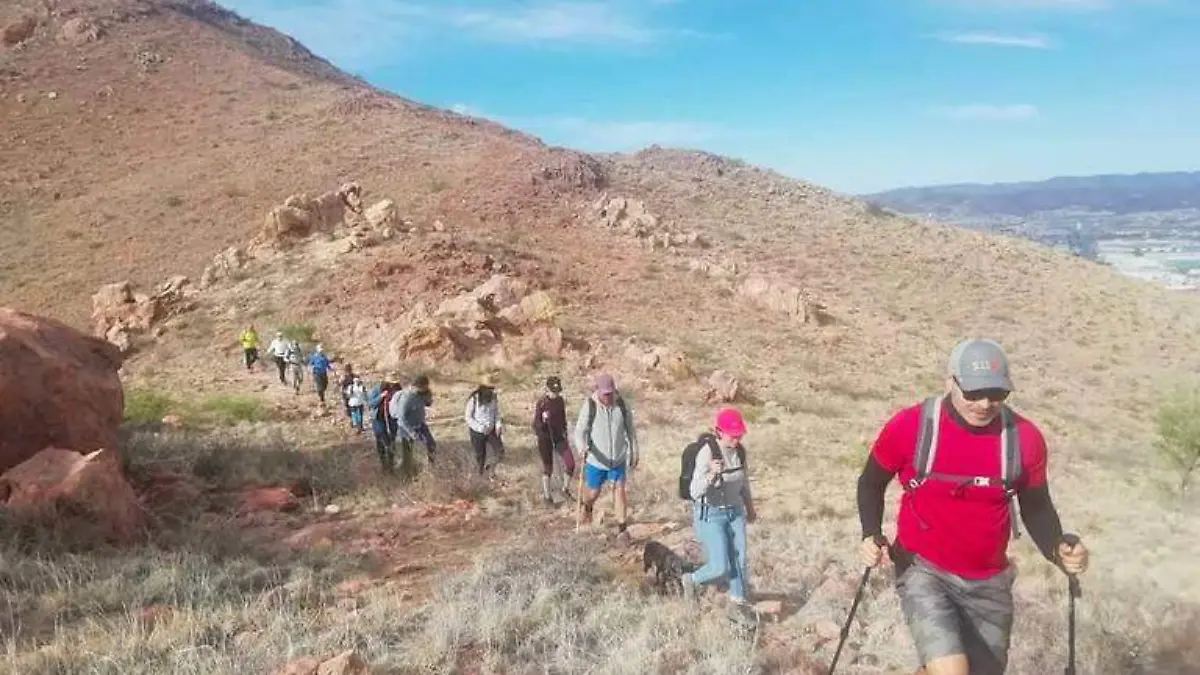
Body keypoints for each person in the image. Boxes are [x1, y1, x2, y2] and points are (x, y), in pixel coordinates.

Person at [856, 338, 1090, 675]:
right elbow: (871, 482)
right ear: (950, 382)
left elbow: (1036, 507)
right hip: (923, 569)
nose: (984, 404)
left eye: (997, 394)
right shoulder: (911, 426)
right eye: (973, 393)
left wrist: (1058, 549)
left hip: (990, 582)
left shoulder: (1024, 438)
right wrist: (871, 534)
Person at [680, 408, 758, 608]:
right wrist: (712, 474)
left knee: (739, 560)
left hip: (735, 511)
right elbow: (694, 491)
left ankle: (738, 602)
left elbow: (743, 483)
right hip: (710, 514)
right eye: (733, 435)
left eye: (739, 434)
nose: (737, 439)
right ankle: (691, 579)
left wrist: (750, 508)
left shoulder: (740, 452)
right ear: (720, 432)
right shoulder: (707, 453)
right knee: (719, 567)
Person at [574, 373, 639, 542]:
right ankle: (587, 506)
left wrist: (634, 451)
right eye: (605, 394)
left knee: (619, 490)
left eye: (610, 394)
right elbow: (580, 431)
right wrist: (582, 447)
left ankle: (622, 529)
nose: (608, 397)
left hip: (618, 459)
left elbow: (630, 431)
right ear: (598, 391)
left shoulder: (622, 405)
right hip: (596, 460)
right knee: (593, 493)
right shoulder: (590, 406)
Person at [533, 375, 574, 504]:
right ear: (547, 389)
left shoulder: (560, 401)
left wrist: (565, 432)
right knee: (548, 468)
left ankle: (565, 489)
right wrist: (543, 421)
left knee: (570, 463)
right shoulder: (541, 403)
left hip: (559, 437)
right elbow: (536, 425)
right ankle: (547, 496)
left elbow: (563, 418)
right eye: (553, 391)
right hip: (545, 439)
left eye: (557, 391)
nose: (555, 394)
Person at [391, 374, 437, 475]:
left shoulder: (422, 394)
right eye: (425, 387)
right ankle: (407, 474)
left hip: (420, 424)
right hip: (406, 427)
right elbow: (401, 419)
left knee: (431, 444)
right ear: (417, 386)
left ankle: (430, 469)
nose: (426, 388)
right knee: (408, 452)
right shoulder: (407, 398)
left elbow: (428, 403)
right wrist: (411, 432)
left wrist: (428, 395)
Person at [464, 375, 505, 478]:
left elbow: (496, 413)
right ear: (483, 388)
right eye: (489, 388)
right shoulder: (474, 399)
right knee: (480, 457)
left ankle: (489, 469)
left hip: (491, 430)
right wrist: (480, 428)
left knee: (500, 452)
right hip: (477, 433)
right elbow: (468, 417)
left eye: (492, 388)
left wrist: (498, 424)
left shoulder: (494, 398)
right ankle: (480, 476)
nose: (490, 391)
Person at [368, 373, 402, 472]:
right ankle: (383, 463)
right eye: (391, 383)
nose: (392, 385)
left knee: (392, 440)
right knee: (382, 439)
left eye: (394, 383)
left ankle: (391, 464)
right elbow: (371, 404)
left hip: (392, 417)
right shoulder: (377, 389)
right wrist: (381, 396)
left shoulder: (398, 389)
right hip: (378, 418)